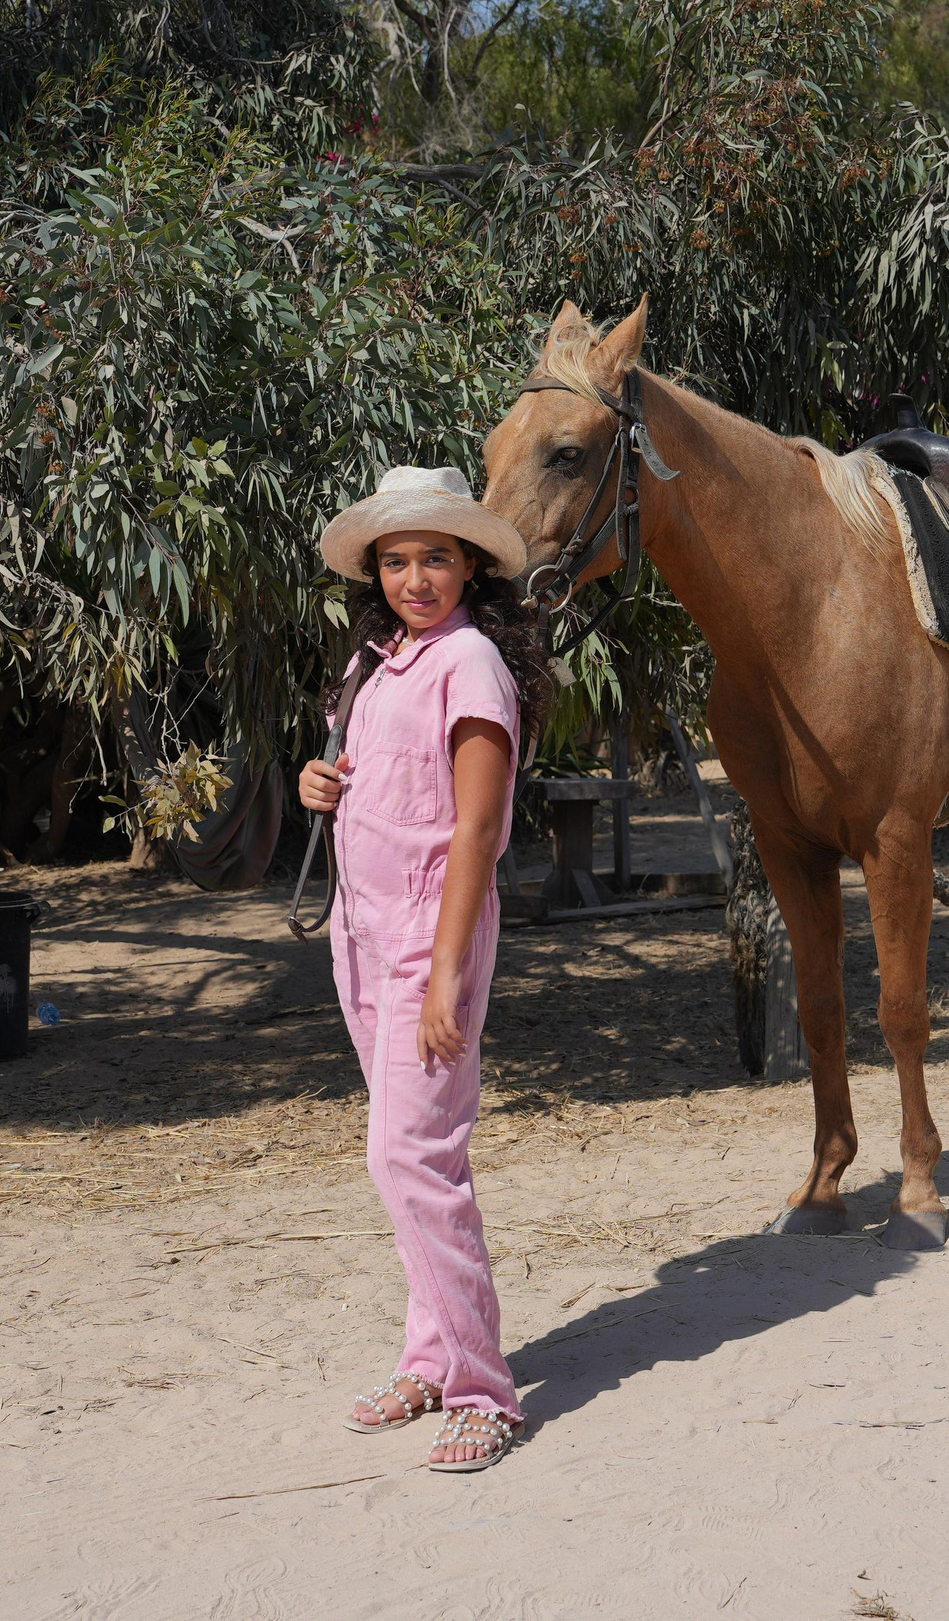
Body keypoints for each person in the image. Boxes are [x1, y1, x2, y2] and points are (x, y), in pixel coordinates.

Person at [299, 463, 552, 1474]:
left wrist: (447, 975)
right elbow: (379, 784)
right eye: (397, 561)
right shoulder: (378, 661)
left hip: (427, 941)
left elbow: (477, 829)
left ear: (470, 566)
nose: (415, 578)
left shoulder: (471, 663)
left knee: (410, 1156)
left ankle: (484, 1389)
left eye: (435, 558)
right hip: (360, 934)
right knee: (409, 1157)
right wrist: (321, 783)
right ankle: (431, 1357)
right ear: (375, 571)